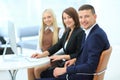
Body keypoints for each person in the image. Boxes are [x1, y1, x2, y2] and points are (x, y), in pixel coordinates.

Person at [38, 4, 110, 80]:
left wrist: (65, 70)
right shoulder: (91, 32)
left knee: (41, 75)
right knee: (43, 73)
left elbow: (90, 66)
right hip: (77, 70)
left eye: (86, 16)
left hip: (80, 75)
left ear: (95, 17)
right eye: (81, 17)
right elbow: (85, 55)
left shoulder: (95, 36)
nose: (83, 20)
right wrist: (75, 60)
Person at [31, 7, 84, 80]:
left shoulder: (80, 32)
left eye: (69, 17)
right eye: (64, 18)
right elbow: (57, 46)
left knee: (40, 72)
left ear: (75, 17)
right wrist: (41, 55)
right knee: (33, 70)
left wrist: (61, 57)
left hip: (71, 66)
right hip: (65, 63)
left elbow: (79, 54)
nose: (66, 20)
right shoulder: (68, 31)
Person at [27, 8, 64, 80]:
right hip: (43, 58)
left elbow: (62, 48)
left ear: (53, 17)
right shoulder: (41, 30)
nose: (47, 19)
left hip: (53, 59)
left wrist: (48, 56)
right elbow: (38, 48)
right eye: (44, 18)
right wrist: (38, 54)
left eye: (49, 17)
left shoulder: (60, 30)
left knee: (37, 69)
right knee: (30, 68)